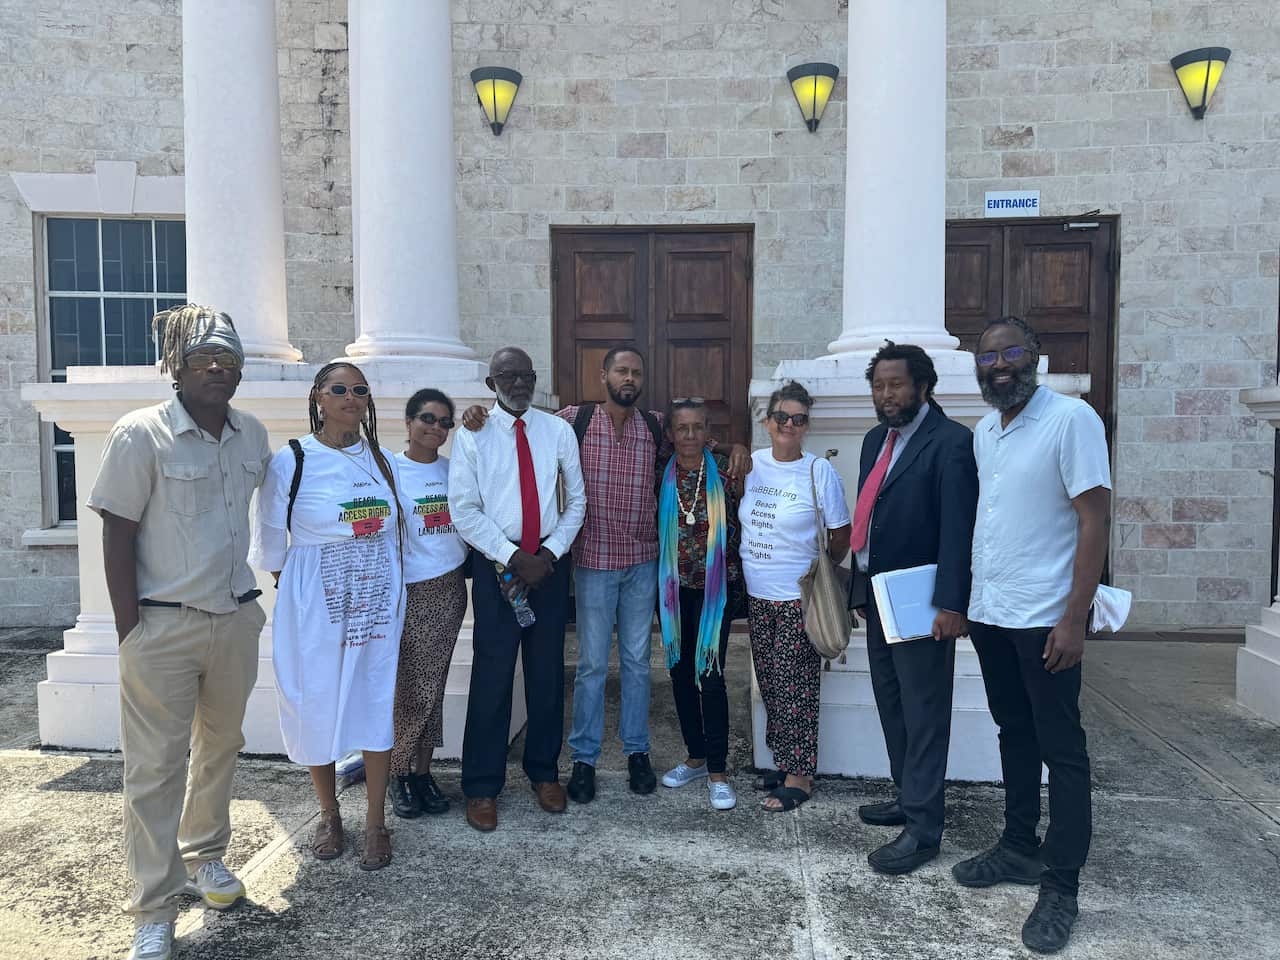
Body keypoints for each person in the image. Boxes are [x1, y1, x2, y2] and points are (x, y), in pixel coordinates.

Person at [460, 346, 750, 805]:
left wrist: (737, 448)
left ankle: (637, 752)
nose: (628, 378)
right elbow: (515, 420)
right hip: (593, 561)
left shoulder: (654, 426)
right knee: (592, 665)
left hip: (642, 561)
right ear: (604, 376)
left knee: (637, 662)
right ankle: (584, 758)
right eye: (621, 370)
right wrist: (477, 412)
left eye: (636, 371)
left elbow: (695, 442)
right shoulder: (572, 421)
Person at [88, 305, 270, 960]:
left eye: (228, 360)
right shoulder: (141, 433)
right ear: (177, 367)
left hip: (234, 620)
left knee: (221, 748)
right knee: (154, 769)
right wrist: (129, 631)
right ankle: (154, 909)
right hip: (161, 626)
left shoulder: (252, 436)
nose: (217, 368)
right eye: (201, 359)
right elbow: (117, 533)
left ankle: (205, 856)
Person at [955, 316, 1110, 955]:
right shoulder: (985, 432)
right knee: (1013, 732)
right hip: (993, 613)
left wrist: (1074, 617)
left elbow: (1095, 520)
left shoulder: (1072, 421)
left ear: (1036, 357)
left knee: (1062, 750)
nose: (999, 365)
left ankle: (1061, 885)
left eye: (1011, 352)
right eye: (987, 357)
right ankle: (1018, 844)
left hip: (1047, 617)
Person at [250, 361, 405, 872]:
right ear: (318, 396)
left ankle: (376, 821)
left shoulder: (381, 458)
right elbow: (271, 541)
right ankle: (329, 813)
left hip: (374, 603)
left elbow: (394, 527)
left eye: (360, 389)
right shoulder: (292, 459)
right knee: (314, 700)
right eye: (339, 389)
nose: (351, 397)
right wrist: (307, 590)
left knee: (375, 700)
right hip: (315, 603)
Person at [849, 342, 978, 875]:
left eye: (896, 385)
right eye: (878, 386)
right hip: (880, 597)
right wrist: (860, 591)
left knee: (924, 712)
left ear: (923, 386)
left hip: (924, 602)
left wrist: (951, 603)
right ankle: (908, 797)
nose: (886, 395)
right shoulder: (874, 440)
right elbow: (870, 518)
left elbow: (958, 529)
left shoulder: (951, 443)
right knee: (892, 701)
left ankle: (924, 830)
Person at [448, 347, 587, 832]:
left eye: (526, 375)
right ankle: (482, 786)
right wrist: (512, 557)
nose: (520, 383)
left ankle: (544, 772)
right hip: (498, 569)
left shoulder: (557, 431)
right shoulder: (473, 434)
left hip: (547, 569)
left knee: (547, 674)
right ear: (492, 384)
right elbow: (463, 509)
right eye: (508, 376)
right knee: (492, 676)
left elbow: (577, 501)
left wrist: (548, 555)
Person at [739, 381, 851, 811]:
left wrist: (818, 571)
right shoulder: (752, 465)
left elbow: (840, 534)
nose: (789, 424)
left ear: (806, 426)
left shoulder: (818, 471)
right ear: (767, 422)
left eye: (798, 419)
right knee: (771, 683)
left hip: (796, 597)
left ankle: (800, 776)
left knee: (796, 687)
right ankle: (785, 762)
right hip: (758, 594)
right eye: (781, 417)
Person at [656, 399, 747, 810]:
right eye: (682, 428)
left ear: (708, 432)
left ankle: (717, 771)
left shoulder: (728, 471)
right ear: (671, 434)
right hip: (673, 591)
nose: (690, 435)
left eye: (697, 427)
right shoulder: (660, 473)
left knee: (709, 674)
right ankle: (694, 756)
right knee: (679, 672)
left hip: (715, 592)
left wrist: (737, 446)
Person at [387, 389, 469, 819]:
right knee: (409, 687)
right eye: (427, 418)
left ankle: (422, 772)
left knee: (433, 685)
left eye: (444, 422)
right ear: (408, 421)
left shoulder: (454, 471)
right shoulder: (388, 471)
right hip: (409, 590)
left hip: (449, 588)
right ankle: (397, 771)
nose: (435, 428)